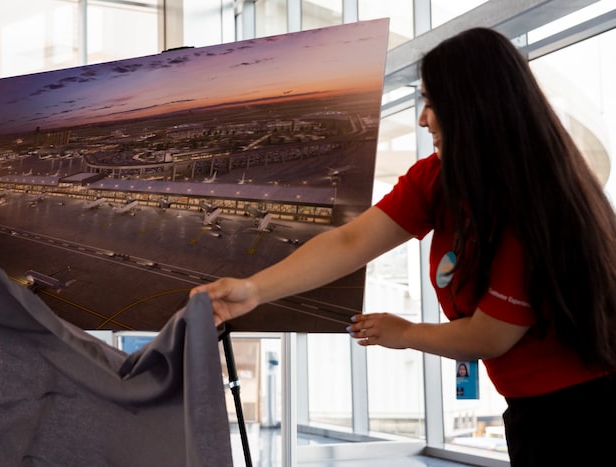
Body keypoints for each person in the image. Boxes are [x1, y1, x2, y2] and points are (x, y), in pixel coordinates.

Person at [191, 27, 616, 466]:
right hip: (531, 408)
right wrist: (254, 290)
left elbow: (489, 336)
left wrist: (403, 333)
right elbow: (351, 240)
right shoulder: (437, 178)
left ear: (474, 107)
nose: (422, 118)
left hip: (582, 413)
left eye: (433, 103)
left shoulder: (532, 205)